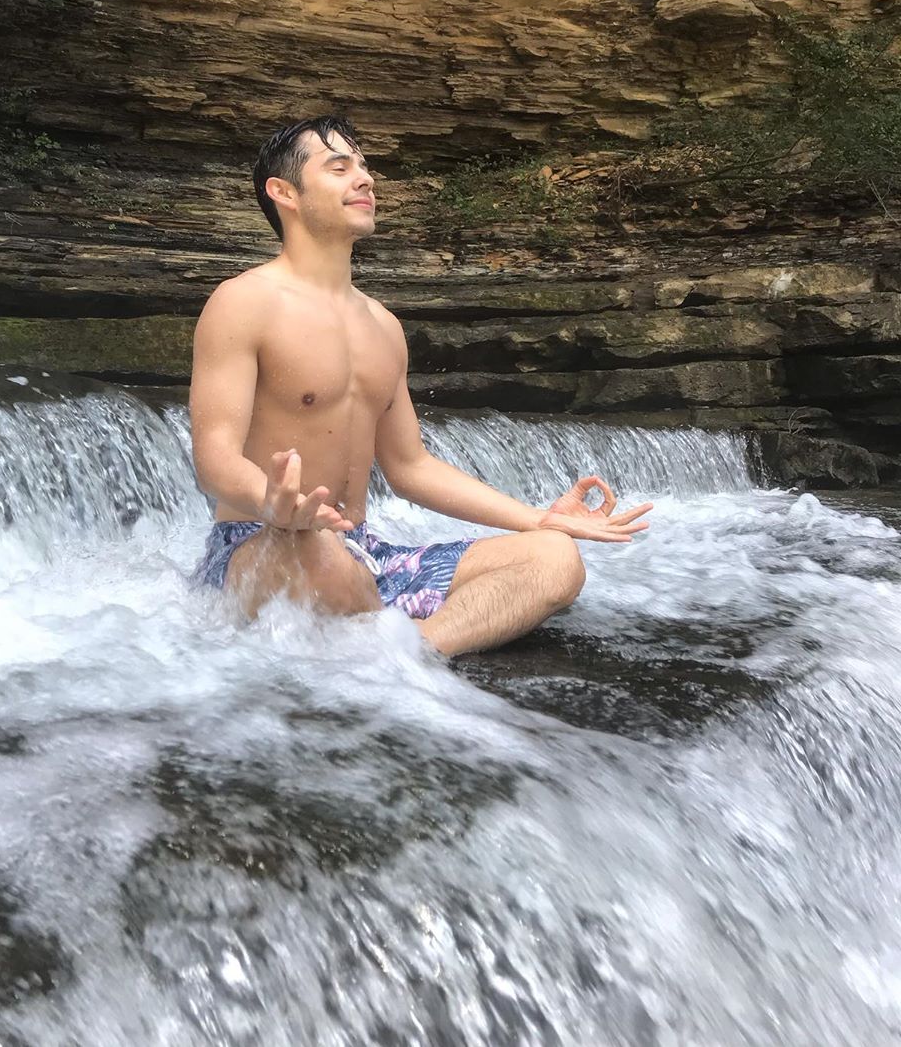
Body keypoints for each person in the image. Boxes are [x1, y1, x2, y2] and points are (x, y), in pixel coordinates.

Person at [189, 114, 651, 656]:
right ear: (284, 192)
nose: (365, 179)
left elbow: (410, 467)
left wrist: (537, 518)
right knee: (322, 555)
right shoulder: (243, 302)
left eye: (364, 167)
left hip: (363, 551)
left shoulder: (382, 325)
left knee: (555, 557)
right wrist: (270, 503)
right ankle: (386, 642)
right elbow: (214, 457)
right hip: (262, 547)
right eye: (339, 168)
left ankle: (414, 654)